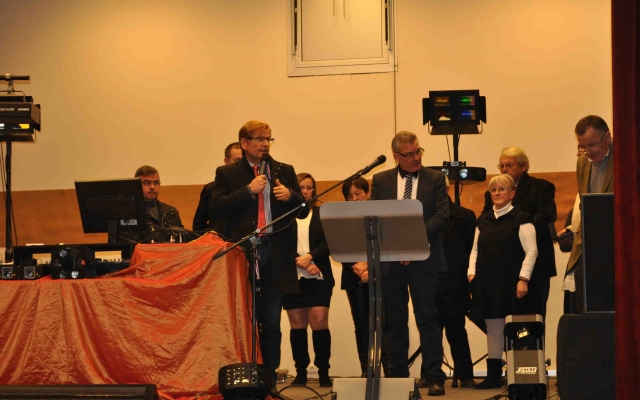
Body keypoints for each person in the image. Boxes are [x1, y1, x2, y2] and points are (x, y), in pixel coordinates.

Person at [209, 120, 306, 387]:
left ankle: (269, 380)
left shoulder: (285, 170)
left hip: (276, 253)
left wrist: (292, 196)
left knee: (271, 321)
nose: (265, 144)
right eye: (259, 139)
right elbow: (216, 208)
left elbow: (304, 210)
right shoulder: (227, 173)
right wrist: (247, 191)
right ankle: (245, 377)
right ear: (244, 143)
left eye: (268, 139)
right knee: (244, 319)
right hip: (244, 252)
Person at [370, 131, 449, 397]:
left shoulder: (435, 178)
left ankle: (434, 376)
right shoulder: (380, 180)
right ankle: (398, 377)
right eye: (409, 154)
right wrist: (398, 245)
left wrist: (412, 241)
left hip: (424, 257)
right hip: (391, 260)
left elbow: (442, 216)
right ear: (396, 156)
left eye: (418, 151)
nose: (416, 158)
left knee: (428, 318)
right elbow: (375, 218)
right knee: (396, 320)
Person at [468, 174, 538, 390]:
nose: (497, 193)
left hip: (513, 282)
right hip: (487, 283)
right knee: (493, 327)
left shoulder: (522, 219)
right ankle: (493, 376)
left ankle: (522, 375)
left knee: (517, 329)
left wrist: (523, 279)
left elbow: (532, 251)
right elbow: (474, 249)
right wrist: (471, 273)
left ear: (512, 193)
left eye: (502, 189)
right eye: (494, 190)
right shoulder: (483, 220)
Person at [482, 147, 557, 322]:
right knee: (505, 319)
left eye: (509, 165)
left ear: (523, 166)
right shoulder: (492, 193)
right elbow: (486, 220)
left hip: (536, 266)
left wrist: (512, 225)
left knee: (533, 319)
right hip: (503, 267)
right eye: (501, 166)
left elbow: (547, 215)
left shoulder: (541, 187)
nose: (504, 169)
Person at [559, 115, 613, 314]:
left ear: (607, 138)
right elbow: (584, 204)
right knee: (587, 311)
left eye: (592, 145)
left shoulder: (627, 158)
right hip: (588, 249)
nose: (587, 152)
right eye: (582, 146)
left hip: (617, 247)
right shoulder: (582, 163)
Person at [283, 173, 333, 387]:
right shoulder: (284, 215)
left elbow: (329, 242)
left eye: (309, 187)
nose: (305, 192)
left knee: (319, 321)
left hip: (319, 275)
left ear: (314, 190)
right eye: (301, 188)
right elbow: (280, 244)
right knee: (297, 325)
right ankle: (301, 373)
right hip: (292, 276)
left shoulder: (322, 214)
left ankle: (323, 372)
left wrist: (310, 257)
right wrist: (301, 261)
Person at [340, 177, 390, 378]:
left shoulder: (380, 216)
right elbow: (339, 246)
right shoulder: (342, 220)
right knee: (361, 325)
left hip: (381, 273)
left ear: (368, 193)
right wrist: (360, 268)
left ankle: (390, 371)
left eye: (358, 193)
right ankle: (367, 371)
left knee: (383, 324)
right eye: (349, 196)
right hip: (353, 275)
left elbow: (388, 244)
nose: (354, 199)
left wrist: (369, 264)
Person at [437, 177, 476, 388]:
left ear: (446, 188)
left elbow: (472, 252)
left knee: (456, 330)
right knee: (431, 331)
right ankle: (431, 373)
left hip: (456, 281)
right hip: (429, 282)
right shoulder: (423, 217)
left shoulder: (465, 216)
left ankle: (465, 374)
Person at [192, 142, 243, 233]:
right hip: (218, 239)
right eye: (236, 160)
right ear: (226, 161)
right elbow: (199, 225)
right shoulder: (210, 189)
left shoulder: (252, 188)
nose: (240, 164)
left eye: (244, 161)